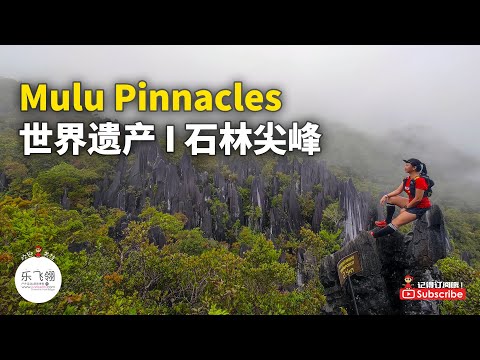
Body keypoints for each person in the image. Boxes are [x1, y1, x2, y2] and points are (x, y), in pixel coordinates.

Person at [370, 158, 432, 238]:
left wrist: (406, 208)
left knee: (395, 222)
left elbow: (418, 199)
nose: (405, 167)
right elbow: (398, 191)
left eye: (407, 165)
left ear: (414, 168)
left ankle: (373, 236)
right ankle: (387, 222)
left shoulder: (420, 180)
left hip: (420, 207)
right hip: (411, 202)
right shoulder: (407, 179)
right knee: (391, 199)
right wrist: (386, 196)